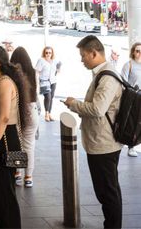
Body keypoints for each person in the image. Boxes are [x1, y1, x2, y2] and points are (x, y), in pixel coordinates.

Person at [63, 35, 123, 228]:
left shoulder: (107, 77)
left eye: (83, 56)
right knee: (108, 190)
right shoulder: (101, 74)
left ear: (94, 53)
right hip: (100, 142)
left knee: (108, 192)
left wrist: (74, 105)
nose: (82, 60)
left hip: (104, 144)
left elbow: (98, 109)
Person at [0, 45, 31, 229]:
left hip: (7, 143)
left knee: (5, 194)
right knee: (1, 193)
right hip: (3, 141)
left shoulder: (4, 84)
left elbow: (3, 117)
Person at [10, 47, 39, 188]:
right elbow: (36, 94)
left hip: (17, 111)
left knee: (16, 144)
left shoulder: (12, 73)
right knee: (29, 146)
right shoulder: (33, 72)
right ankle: (29, 177)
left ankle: (17, 173)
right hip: (32, 110)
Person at [120, 42, 141, 157]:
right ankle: (131, 146)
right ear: (133, 52)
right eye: (137, 51)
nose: (139, 53)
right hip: (133, 98)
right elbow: (123, 81)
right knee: (132, 122)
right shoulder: (129, 65)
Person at [35, 46, 60, 122]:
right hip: (44, 81)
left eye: (50, 52)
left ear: (52, 53)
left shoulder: (54, 61)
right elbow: (36, 71)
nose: (48, 54)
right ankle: (46, 114)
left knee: (51, 97)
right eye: (46, 53)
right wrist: (36, 82)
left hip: (53, 81)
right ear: (44, 53)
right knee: (48, 97)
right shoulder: (41, 60)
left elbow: (59, 65)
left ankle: (49, 114)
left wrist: (58, 69)